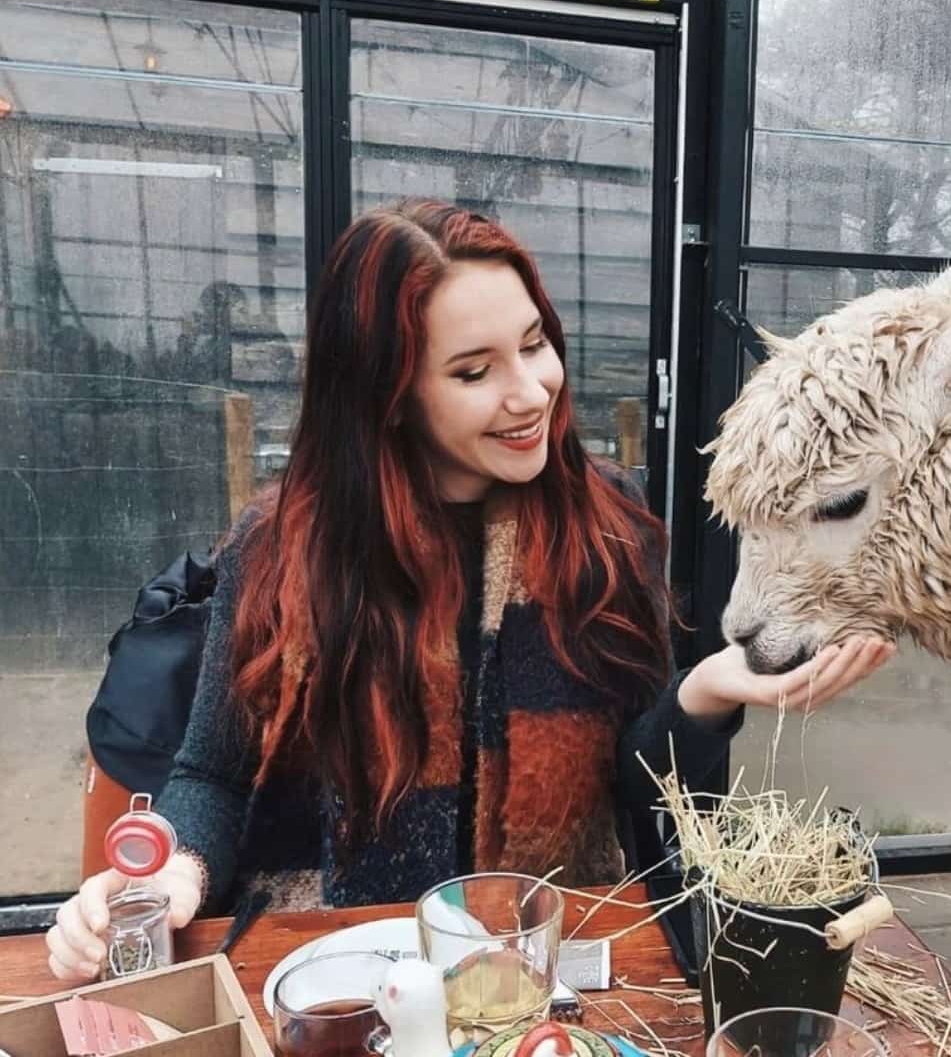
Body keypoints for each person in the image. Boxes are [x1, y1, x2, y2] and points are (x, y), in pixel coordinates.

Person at [47, 200, 895, 982]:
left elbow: (642, 796)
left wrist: (705, 696)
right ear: (388, 398)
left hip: (554, 972)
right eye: (472, 371)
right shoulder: (286, 545)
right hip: (339, 973)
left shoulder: (607, 522)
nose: (530, 392)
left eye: (533, 344)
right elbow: (212, 775)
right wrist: (172, 875)